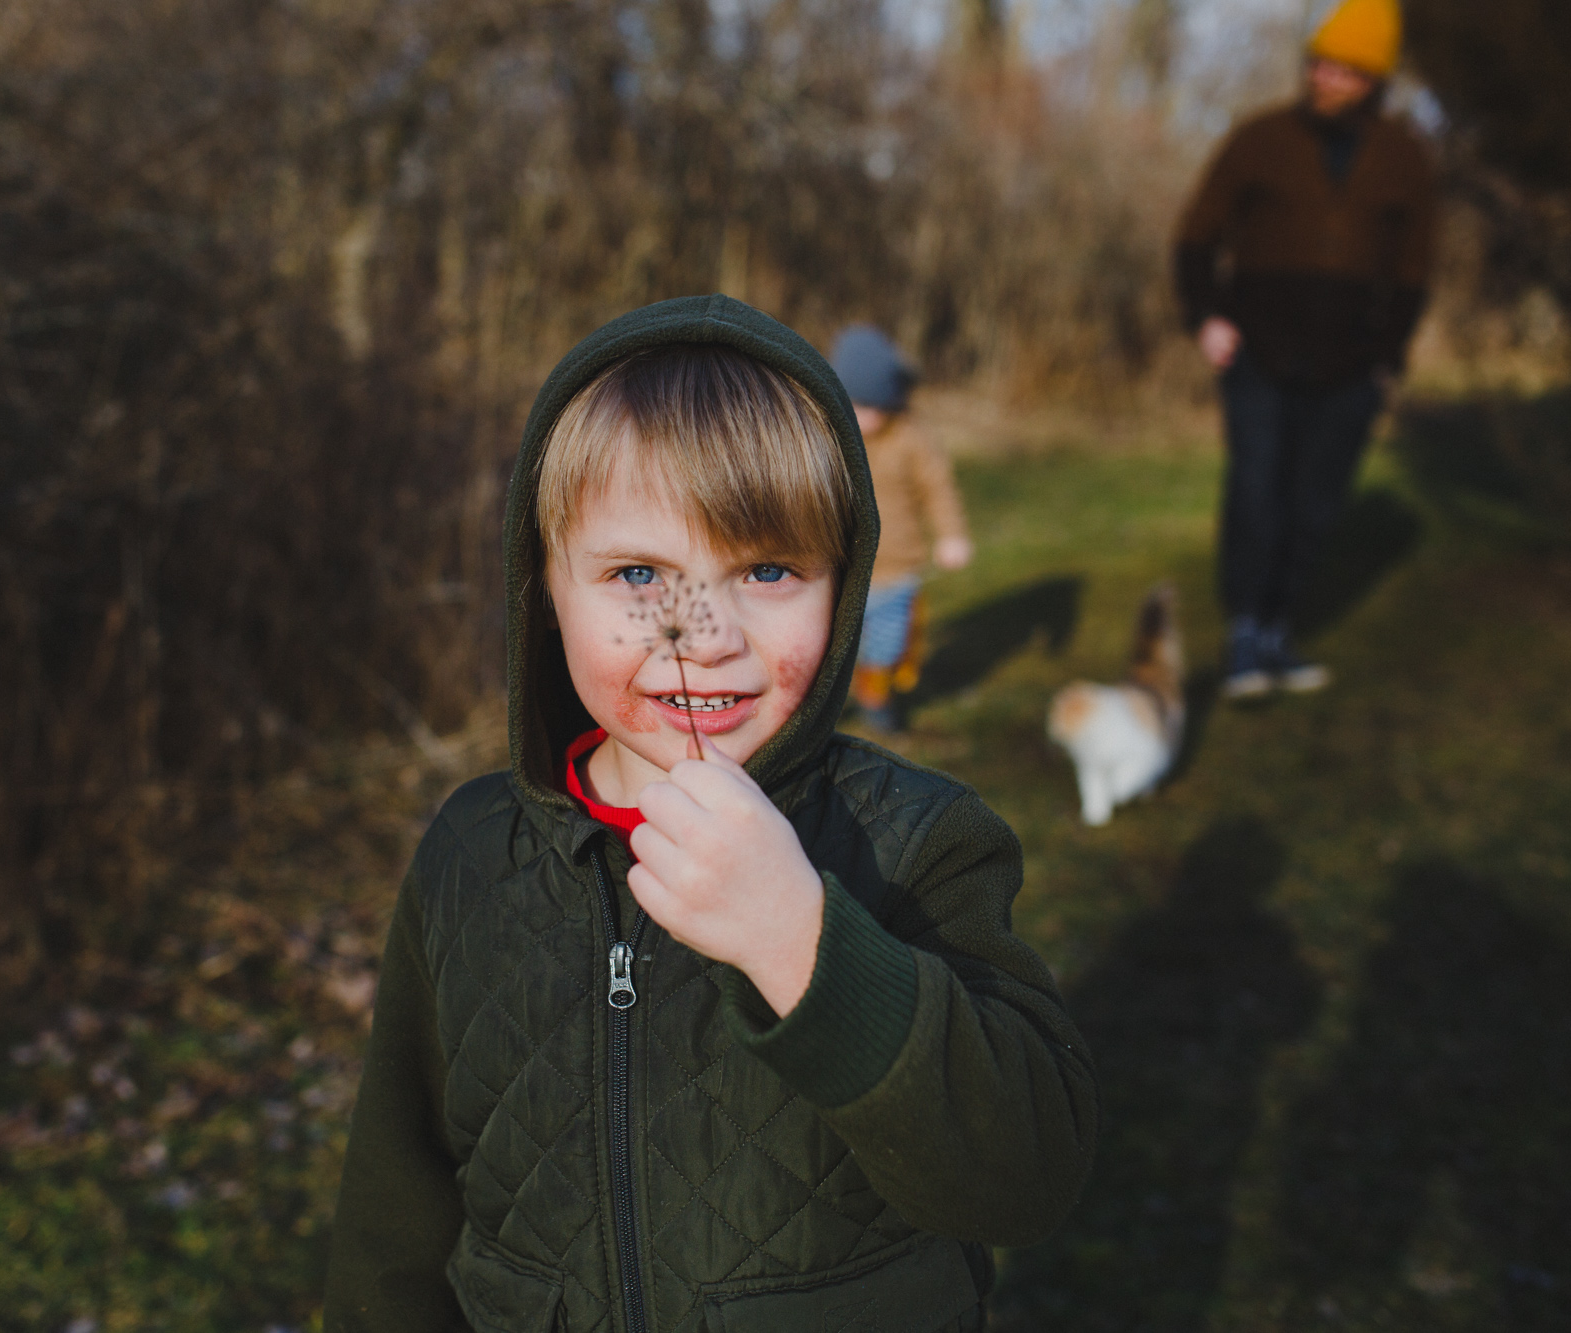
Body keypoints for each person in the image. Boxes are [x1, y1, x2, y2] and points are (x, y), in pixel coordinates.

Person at [324, 295, 1096, 1332]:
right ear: (545, 590)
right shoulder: (469, 856)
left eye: (767, 570)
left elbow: (1025, 1179)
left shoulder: (913, 842)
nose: (699, 634)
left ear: (844, 582)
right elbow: (395, 1207)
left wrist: (804, 945)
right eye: (638, 573)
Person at [1174, 0, 1435, 699]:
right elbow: (1197, 235)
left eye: (1346, 70)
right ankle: (1243, 635)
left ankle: (1278, 630)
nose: (1326, 78)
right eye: (1320, 62)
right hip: (1258, 353)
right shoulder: (1259, 139)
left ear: (1374, 80)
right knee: (1257, 492)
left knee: (1315, 503)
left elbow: (1414, 269)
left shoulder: (1405, 157)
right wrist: (1206, 317)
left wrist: (1387, 356)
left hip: (1351, 367)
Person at [828, 324, 973, 731]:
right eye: (854, 404)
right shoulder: (830, 437)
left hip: (896, 570)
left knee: (887, 645)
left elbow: (938, 489)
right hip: (843, 567)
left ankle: (875, 697)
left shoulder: (911, 438)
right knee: (833, 645)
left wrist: (952, 535)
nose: (864, 416)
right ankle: (823, 704)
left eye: (873, 406)